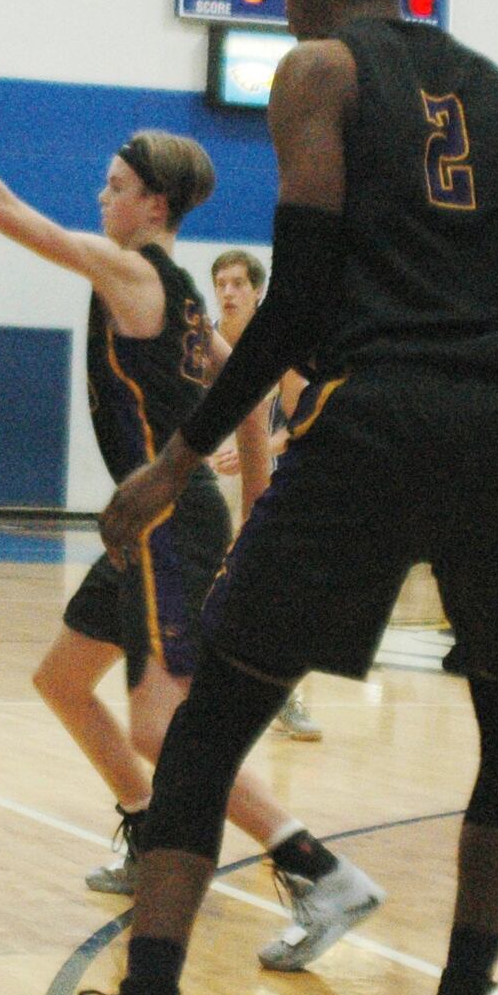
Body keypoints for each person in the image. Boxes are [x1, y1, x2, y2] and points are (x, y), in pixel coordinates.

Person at [64, 0, 498, 995]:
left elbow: (301, 296)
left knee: (209, 724)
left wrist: (176, 460)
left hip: (379, 420)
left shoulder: (318, 71)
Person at [0, 36, 382, 974]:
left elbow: (2, 209)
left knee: (158, 723)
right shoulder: (179, 300)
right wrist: (254, 508)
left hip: (169, 527)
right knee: (63, 680)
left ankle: (316, 867)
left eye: (113, 186)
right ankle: (147, 830)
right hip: (160, 526)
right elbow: (251, 396)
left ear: (154, 206)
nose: (100, 198)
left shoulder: (136, 272)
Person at [207, 248, 323, 741]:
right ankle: (199, 691)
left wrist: (263, 443)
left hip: (262, 482)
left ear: (258, 291)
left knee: (272, 590)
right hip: (206, 480)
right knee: (201, 588)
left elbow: (304, 423)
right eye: (221, 283)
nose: (229, 292)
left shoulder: (278, 348)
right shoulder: (200, 343)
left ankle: (284, 696)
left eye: (238, 283)